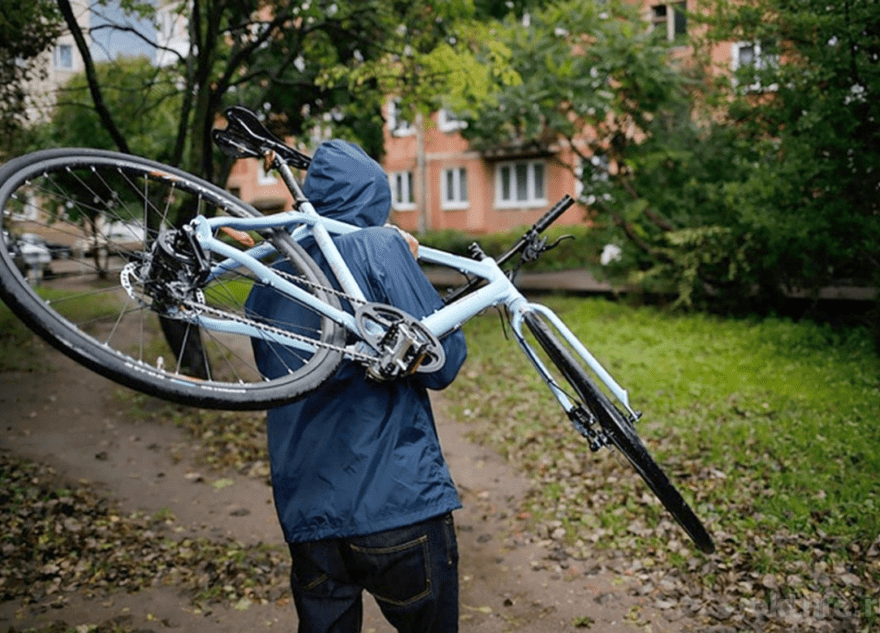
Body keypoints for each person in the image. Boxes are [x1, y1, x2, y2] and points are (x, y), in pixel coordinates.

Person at [245, 139, 467, 633]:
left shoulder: (271, 274)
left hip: (309, 517)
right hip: (397, 503)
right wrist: (402, 262)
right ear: (375, 198)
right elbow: (444, 362)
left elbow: (277, 373)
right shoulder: (378, 246)